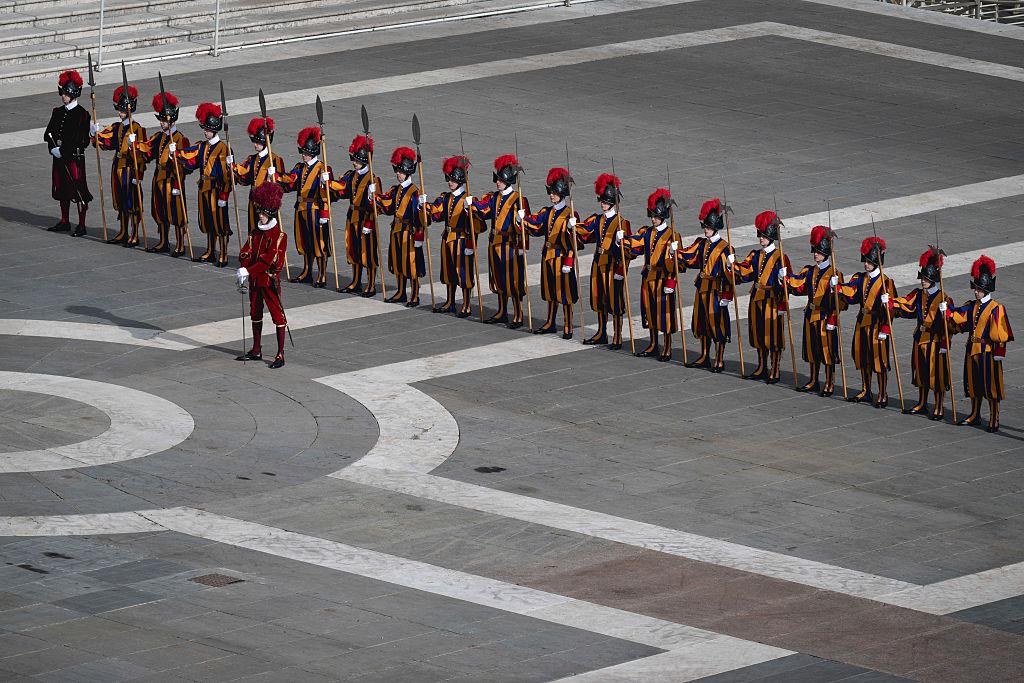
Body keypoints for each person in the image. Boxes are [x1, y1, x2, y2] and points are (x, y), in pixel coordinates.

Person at [945, 256, 1013, 432]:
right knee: (973, 384)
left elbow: (1001, 333)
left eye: (979, 289)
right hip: (972, 349)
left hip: (988, 352)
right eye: (975, 288)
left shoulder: (996, 308)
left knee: (991, 387)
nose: (976, 291)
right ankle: (975, 414)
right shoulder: (971, 305)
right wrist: (948, 310)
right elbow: (959, 316)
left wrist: (999, 353)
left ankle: (994, 418)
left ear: (986, 289)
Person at [891, 247, 953, 420]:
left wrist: (945, 341)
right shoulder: (918, 294)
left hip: (935, 341)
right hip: (919, 338)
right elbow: (906, 304)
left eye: (926, 279)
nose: (923, 281)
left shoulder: (944, 299)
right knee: (921, 373)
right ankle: (922, 403)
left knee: (936, 375)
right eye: (922, 278)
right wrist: (891, 302)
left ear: (933, 280)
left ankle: (938, 406)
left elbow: (950, 326)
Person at [835, 237, 898, 408]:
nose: (866, 264)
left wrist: (886, 327)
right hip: (862, 322)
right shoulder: (861, 278)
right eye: (865, 261)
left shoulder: (886, 283)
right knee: (863, 358)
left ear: (877, 262)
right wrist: (839, 287)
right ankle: (866, 390)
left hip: (877, 324)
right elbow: (852, 293)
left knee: (879, 361)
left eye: (869, 262)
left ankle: (883, 393)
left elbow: (892, 309)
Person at [422, 155, 485, 317]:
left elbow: (478, 225)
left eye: (453, 179)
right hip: (447, 238)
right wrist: (424, 205)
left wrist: (470, 210)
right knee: (448, 271)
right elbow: (437, 214)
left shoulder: (468, 199)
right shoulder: (446, 197)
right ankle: (450, 302)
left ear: (460, 180)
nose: (450, 182)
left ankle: (466, 304)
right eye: (449, 179)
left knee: (463, 272)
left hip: (461, 240)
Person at [732, 210, 791, 383]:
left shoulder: (780, 257)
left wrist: (783, 302)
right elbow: (746, 271)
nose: (761, 238)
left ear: (771, 237)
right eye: (760, 235)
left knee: (773, 337)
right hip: (756, 298)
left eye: (764, 236)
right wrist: (732, 265)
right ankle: (762, 367)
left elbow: (787, 285)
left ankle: (775, 369)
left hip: (772, 301)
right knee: (758, 334)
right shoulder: (755, 254)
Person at [622, 189, 681, 361]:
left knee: (665, 314)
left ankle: (667, 347)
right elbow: (636, 243)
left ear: (663, 216)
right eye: (652, 216)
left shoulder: (672, 235)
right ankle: (653, 344)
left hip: (663, 279)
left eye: (656, 216)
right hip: (648, 277)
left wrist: (672, 282)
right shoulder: (647, 232)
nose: (653, 219)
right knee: (650, 311)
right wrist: (622, 240)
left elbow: (676, 265)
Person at [676, 198, 734, 372]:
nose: (705, 229)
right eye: (704, 226)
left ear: (715, 227)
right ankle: (704, 356)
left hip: (716, 290)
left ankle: (719, 359)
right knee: (702, 323)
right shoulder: (702, 243)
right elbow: (690, 256)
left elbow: (729, 276)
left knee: (717, 325)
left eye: (708, 227)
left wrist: (727, 295)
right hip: (702, 288)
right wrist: (675, 252)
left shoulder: (725, 248)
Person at [786, 226, 846, 396]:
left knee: (827, 352)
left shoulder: (834, 274)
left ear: (825, 253)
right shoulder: (810, 270)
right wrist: (785, 278)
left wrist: (833, 319)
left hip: (825, 317)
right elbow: (799, 286)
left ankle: (829, 382)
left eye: (818, 252)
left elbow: (840, 303)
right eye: (815, 251)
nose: (815, 254)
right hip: (810, 315)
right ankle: (813, 380)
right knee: (812, 350)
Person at [236, 182, 289, 369]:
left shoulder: (279, 237)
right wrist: (244, 268)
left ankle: (280, 353)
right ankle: (256, 349)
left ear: (271, 215)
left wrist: (248, 270)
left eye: (264, 214)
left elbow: (268, 261)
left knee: (277, 316)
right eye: (260, 213)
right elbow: (246, 252)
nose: (260, 216)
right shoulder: (255, 232)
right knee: (255, 312)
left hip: (268, 281)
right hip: (254, 281)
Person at [472, 155, 530, 326]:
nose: (497, 182)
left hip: (509, 245)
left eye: (500, 180)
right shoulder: (494, 197)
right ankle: (502, 311)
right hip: (494, 243)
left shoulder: (518, 200)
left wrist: (522, 246)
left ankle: (518, 314)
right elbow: (485, 210)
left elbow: (524, 228)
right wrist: (472, 205)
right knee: (498, 279)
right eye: (497, 179)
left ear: (508, 181)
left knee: (513, 280)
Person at [521, 167, 579, 338]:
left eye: (554, 193)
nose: (551, 195)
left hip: (562, 257)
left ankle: (568, 325)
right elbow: (536, 225)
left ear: (561, 193)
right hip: (548, 255)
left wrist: (569, 262)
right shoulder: (548, 211)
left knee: (565, 293)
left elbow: (574, 243)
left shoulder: (570, 214)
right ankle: (550, 322)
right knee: (550, 291)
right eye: (551, 192)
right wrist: (522, 219)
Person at [576, 174, 630, 349]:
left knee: (615, 302)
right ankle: (601, 332)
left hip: (613, 266)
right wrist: (574, 226)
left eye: (606, 202)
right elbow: (586, 230)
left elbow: (627, 253)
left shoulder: (622, 223)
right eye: (602, 201)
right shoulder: (598, 219)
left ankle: (618, 336)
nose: (602, 204)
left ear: (613, 202)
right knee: (599, 299)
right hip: (598, 264)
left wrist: (621, 271)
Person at [176, 102, 232, 265]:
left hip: (216, 190)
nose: (205, 131)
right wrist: (177, 153)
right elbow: (191, 158)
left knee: (219, 223)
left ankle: (223, 253)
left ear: (213, 129)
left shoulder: (223, 148)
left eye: (207, 129)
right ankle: (210, 251)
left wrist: (224, 194)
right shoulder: (202, 146)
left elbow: (227, 175)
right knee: (208, 222)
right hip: (204, 188)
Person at [279, 127, 333, 287]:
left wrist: (324, 213)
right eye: (303, 152)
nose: (303, 155)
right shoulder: (300, 167)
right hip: (301, 208)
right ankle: (307, 271)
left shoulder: (323, 168)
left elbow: (327, 195)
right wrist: (277, 176)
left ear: (313, 152)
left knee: (319, 243)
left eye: (306, 152)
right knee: (305, 242)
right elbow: (291, 180)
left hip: (315, 210)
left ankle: (322, 274)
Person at [93, 84, 146, 247]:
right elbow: (107, 140)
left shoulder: (137, 128)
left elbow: (142, 155)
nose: (119, 113)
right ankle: (123, 231)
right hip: (118, 166)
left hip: (130, 168)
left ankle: (134, 234)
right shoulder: (118, 126)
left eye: (122, 110)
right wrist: (94, 133)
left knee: (132, 202)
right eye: (119, 110)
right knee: (121, 200)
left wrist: (139, 175)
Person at [374, 146, 426, 306]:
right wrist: (374, 196)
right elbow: (388, 206)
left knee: (411, 264)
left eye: (401, 171)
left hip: (409, 232)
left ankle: (415, 294)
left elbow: (420, 217)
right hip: (396, 230)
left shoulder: (415, 192)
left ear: (408, 172)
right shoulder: (395, 189)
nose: (398, 173)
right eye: (397, 170)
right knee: (397, 262)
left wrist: (419, 236)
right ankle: (400, 292)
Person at [44, 70, 92, 236]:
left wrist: (63, 151)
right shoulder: (57, 112)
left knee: (78, 191)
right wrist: (53, 148)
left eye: (65, 93)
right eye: (62, 93)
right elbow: (48, 133)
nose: (63, 96)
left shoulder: (83, 115)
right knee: (62, 189)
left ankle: (81, 224)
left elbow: (82, 140)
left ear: (73, 94)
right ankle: (64, 221)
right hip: (58, 157)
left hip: (73, 159)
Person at [331, 135, 379, 295]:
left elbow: (376, 207)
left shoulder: (373, 180)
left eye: (357, 160)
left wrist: (369, 224)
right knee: (353, 250)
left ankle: (371, 284)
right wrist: (329, 183)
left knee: (368, 253)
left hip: (365, 219)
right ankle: (355, 282)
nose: (354, 163)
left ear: (364, 161)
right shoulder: (352, 175)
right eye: (353, 159)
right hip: (352, 217)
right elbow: (343, 190)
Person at [142, 91, 189, 255]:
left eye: (164, 120)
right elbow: (148, 151)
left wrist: (175, 158)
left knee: (176, 214)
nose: (161, 123)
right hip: (159, 178)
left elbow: (185, 166)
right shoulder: (159, 137)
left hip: (172, 180)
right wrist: (135, 145)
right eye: (160, 120)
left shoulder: (180, 139)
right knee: (159, 211)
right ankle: (163, 241)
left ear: (172, 120)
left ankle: (180, 244)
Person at [233, 117, 285, 235]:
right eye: (254, 142)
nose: (255, 145)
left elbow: (281, 185)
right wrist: (232, 166)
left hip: (267, 202)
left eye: (258, 142)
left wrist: (275, 176)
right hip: (253, 199)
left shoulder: (275, 160)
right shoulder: (252, 159)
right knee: (253, 230)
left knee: (267, 232)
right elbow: (245, 176)